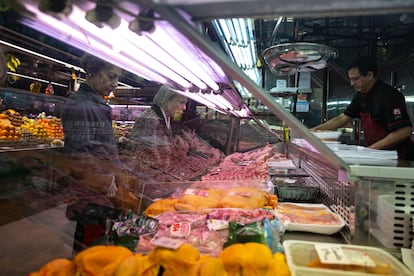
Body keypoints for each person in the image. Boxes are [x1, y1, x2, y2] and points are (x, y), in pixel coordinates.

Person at [59, 53, 138, 253]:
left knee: (97, 239)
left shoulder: (96, 104)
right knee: (90, 244)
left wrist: (116, 177)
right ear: (92, 72)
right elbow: (79, 155)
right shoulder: (81, 105)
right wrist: (106, 182)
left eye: (118, 78)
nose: (116, 83)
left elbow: (100, 146)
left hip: (101, 189)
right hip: (92, 190)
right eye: (111, 76)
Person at [312, 56, 414, 160]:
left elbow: (404, 131)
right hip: (378, 156)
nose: (352, 84)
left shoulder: (389, 95)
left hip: (398, 158)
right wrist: (311, 132)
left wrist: (369, 151)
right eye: (350, 79)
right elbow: (341, 119)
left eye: (355, 79)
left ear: (369, 75)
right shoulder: (361, 95)